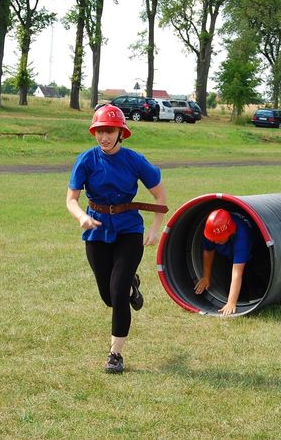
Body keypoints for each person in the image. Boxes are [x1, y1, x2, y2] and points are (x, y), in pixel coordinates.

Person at [66, 105, 167, 374]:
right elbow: (71, 200)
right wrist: (81, 218)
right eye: (100, 131)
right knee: (109, 296)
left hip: (128, 230)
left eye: (109, 131)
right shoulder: (86, 160)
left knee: (117, 293)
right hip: (96, 230)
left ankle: (115, 355)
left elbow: (160, 198)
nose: (104, 137)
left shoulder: (134, 160)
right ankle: (132, 285)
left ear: (121, 132)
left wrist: (155, 230)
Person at [194, 208, 255, 316]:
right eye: (213, 239)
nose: (215, 241)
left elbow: (237, 272)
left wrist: (231, 302)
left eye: (219, 239)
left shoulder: (242, 237)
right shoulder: (211, 231)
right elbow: (208, 251)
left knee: (251, 278)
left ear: (230, 231)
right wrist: (206, 277)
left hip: (255, 251)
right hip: (229, 249)